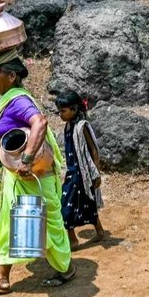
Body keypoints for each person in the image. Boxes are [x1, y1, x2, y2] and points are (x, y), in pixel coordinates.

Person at [0, 50, 75, 293]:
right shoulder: (9, 98)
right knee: (8, 222)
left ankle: (66, 269)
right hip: (16, 176)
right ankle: (2, 277)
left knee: (49, 225)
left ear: (11, 77)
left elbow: (39, 122)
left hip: (35, 176)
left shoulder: (19, 101)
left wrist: (27, 158)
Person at [55, 91, 105, 251]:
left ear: (74, 109)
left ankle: (73, 241)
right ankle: (100, 232)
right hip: (73, 173)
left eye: (63, 111)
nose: (60, 114)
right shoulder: (69, 126)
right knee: (87, 204)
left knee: (64, 207)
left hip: (82, 174)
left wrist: (96, 173)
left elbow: (93, 149)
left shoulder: (82, 126)